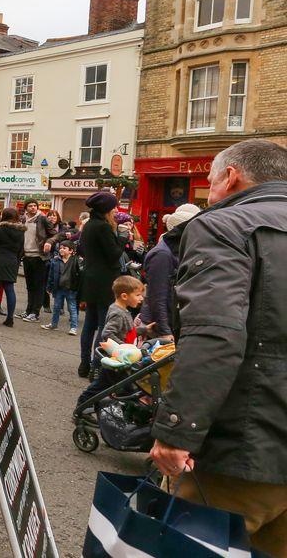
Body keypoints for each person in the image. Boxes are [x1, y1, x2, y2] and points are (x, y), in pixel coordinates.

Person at [149, 140, 287, 557]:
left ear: (231, 178)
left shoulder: (223, 225)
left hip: (246, 449)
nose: (209, 194)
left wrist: (176, 430)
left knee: (184, 548)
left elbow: (215, 334)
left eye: (209, 182)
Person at [75, 275, 145, 409]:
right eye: (138, 295)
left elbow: (129, 331)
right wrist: (123, 348)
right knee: (105, 386)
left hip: (121, 359)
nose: (141, 298)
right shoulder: (118, 313)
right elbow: (107, 333)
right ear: (124, 296)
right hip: (116, 359)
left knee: (115, 386)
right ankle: (82, 405)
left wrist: (144, 330)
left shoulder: (122, 310)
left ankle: (97, 407)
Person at [76, 191, 125, 378]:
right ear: (107, 209)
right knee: (104, 325)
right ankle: (97, 365)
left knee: (89, 324)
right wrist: (122, 238)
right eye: (113, 207)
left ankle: (84, 363)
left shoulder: (89, 225)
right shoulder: (103, 228)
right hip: (105, 281)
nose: (115, 210)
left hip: (90, 279)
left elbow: (82, 249)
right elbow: (113, 254)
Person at [141, 204, 200, 340]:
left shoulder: (177, 250)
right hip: (159, 325)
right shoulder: (162, 254)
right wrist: (165, 331)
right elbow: (157, 295)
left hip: (169, 320)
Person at [19, 200, 57, 322]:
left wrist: (49, 242)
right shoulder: (23, 219)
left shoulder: (42, 219)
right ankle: (28, 310)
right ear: (26, 208)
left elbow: (55, 234)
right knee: (30, 285)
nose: (33, 208)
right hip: (27, 256)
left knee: (39, 285)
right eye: (30, 206)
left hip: (39, 256)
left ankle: (35, 313)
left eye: (35, 206)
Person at [42, 240, 81, 334]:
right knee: (56, 307)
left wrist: (78, 288)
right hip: (58, 288)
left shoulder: (76, 260)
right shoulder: (55, 261)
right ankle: (54, 324)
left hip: (71, 288)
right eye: (60, 248)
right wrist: (49, 287)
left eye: (64, 248)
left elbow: (80, 275)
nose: (61, 250)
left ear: (71, 251)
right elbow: (51, 275)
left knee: (72, 308)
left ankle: (73, 328)